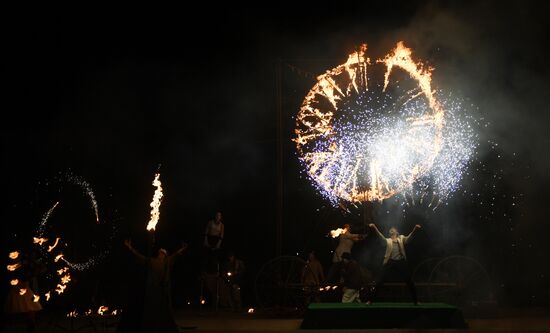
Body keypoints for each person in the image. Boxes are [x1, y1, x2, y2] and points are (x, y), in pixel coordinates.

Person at [122, 239, 188, 333]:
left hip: (163, 292)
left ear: (165, 255)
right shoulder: (151, 261)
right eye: (159, 252)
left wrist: (183, 248)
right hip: (152, 291)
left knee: (164, 312)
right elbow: (139, 256)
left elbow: (176, 254)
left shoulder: (167, 262)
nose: (160, 253)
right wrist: (130, 247)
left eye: (162, 252)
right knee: (151, 312)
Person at [367, 224, 421, 305]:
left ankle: (416, 301)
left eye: (393, 229)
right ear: (389, 233)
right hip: (390, 261)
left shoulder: (401, 238)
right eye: (390, 229)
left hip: (400, 261)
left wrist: (415, 229)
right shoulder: (388, 240)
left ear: (397, 232)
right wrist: (374, 227)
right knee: (380, 281)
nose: (391, 229)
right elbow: (380, 235)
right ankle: (370, 301)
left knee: (409, 281)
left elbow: (409, 238)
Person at [4, 253, 42, 333]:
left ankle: (31, 327)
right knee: (18, 308)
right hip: (17, 288)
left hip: (25, 288)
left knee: (30, 308)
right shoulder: (13, 265)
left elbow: (32, 273)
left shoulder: (26, 263)